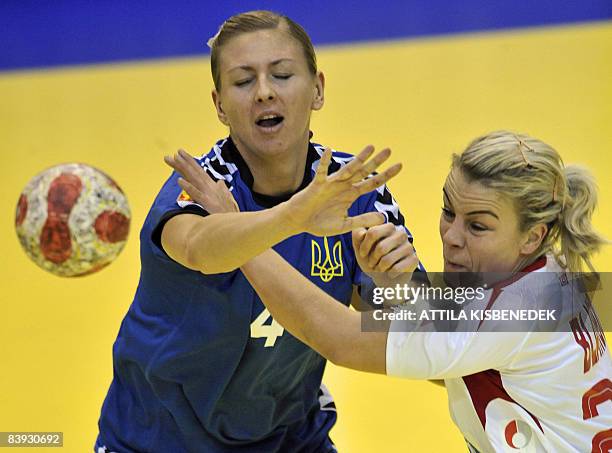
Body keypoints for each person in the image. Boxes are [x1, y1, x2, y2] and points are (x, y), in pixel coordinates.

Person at [96, 10, 422, 453]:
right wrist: (293, 217)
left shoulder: (352, 188)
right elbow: (197, 248)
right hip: (161, 440)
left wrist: (394, 287)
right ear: (219, 106)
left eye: (282, 74)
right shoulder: (201, 185)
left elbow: (425, 340)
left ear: (318, 89)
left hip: (291, 438)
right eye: (244, 81)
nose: (265, 93)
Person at [173, 130, 612, 452]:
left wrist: (239, 233)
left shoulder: (516, 311)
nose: (451, 237)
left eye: (478, 226)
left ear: (532, 236)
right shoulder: (542, 279)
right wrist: (398, 286)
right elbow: (457, 356)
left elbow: (341, 340)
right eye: (448, 211)